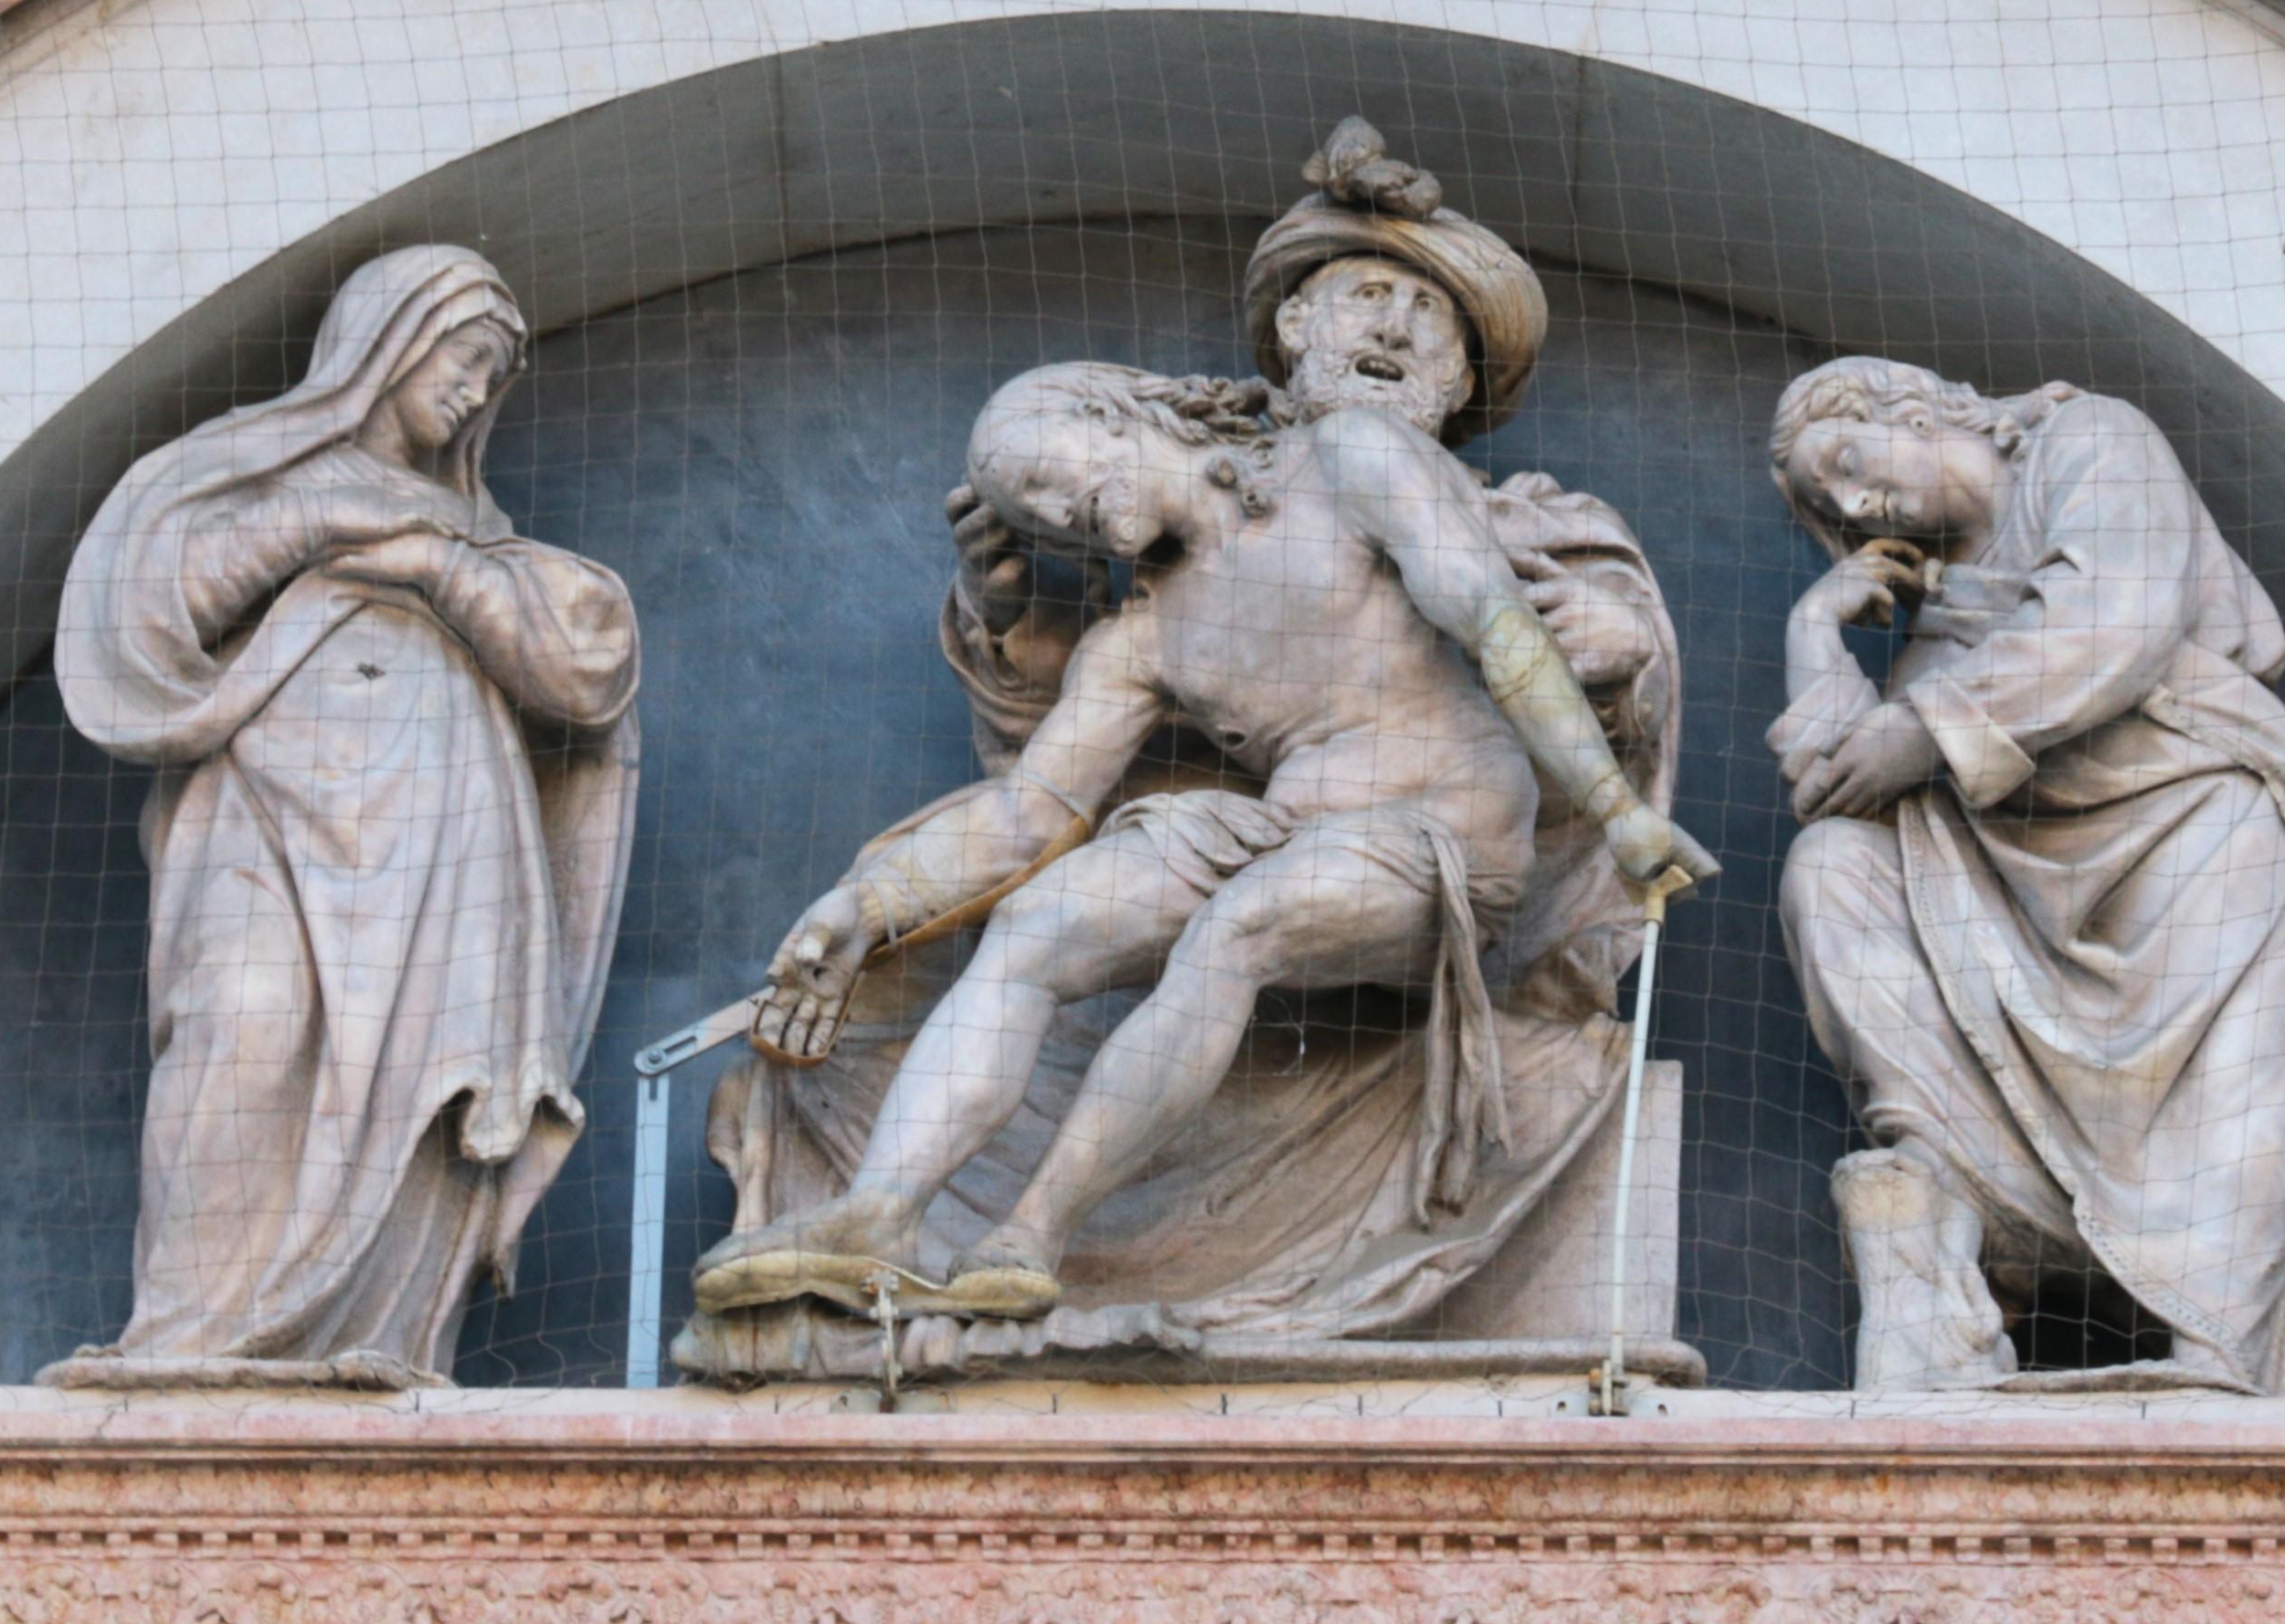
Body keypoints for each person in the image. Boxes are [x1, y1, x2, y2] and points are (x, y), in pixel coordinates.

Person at [696, 125, 1703, 1333]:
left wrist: (1621, 814)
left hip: (1439, 832)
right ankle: (880, 1213)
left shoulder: (1356, 457)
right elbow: (1025, 816)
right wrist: (867, 907)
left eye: (1064, 472)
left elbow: (1492, 619)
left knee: (1238, 927)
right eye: (1039, 506)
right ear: (1294, 331)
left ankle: (1031, 1236)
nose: (1068, 507)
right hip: (1286, 828)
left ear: (1132, 419)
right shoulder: (1142, 636)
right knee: (1041, 921)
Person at [58, 245, 640, 1375]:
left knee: (418, 1075)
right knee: (243, 1022)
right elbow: (154, 610)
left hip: (439, 845)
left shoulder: (476, 533)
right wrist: (318, 523)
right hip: (269, 812)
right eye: (461, 359)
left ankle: (374, 1335)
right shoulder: (260, 474)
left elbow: (584, 677)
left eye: (490, 377)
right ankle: (190, 1333)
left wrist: (439, 566)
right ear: (388, 340)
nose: (472, 391)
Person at [1768, 357, 2285, 1390]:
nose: (1855, 505)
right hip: (2010, 885)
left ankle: (2215, 1354)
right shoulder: (1937, 621)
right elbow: (1835, 790)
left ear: (1909, 408)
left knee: (2233, 1064)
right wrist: (1814, 629)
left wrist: (1924, 729)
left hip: (2194, 819)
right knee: (1833, 869)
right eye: (1829, 506)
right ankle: (1949, 1265)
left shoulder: (2092, 441)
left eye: (1849, 462)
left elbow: (2114, 617)